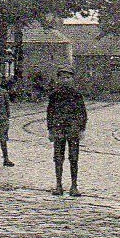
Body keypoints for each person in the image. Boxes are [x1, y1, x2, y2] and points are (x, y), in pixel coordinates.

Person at [46, 67, 87, 197]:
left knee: (74, 158)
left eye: (68, 77)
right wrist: (50, 130)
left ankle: (74, 186)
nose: (65, 80)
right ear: (58, 79)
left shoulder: (77, 94)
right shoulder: (54, 94)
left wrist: (81, 128)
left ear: (72, 79)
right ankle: (59, 185)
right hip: (58, 129)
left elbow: (82, 112)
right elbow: (50, 113)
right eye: (62, 77)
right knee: (58, 158)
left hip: (73, 129)